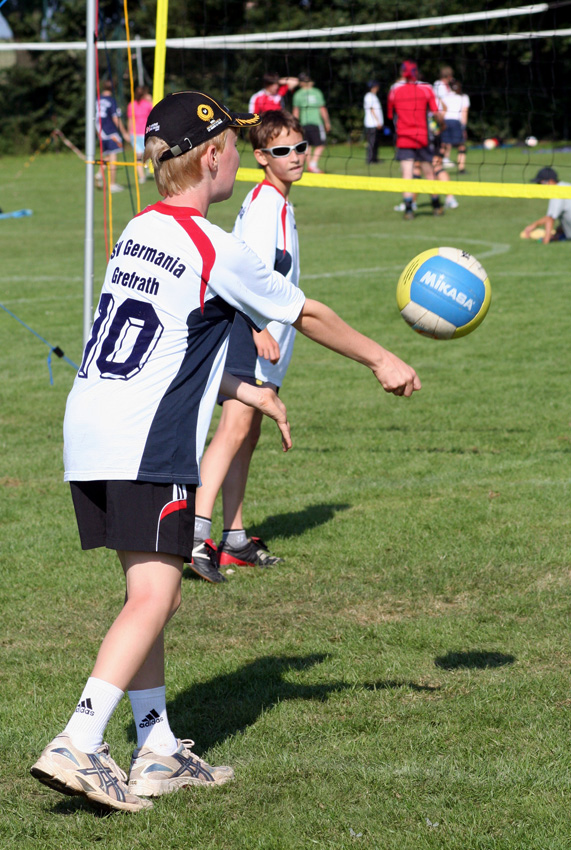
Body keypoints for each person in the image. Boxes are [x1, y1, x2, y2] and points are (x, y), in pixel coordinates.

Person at [30, 89, 420, 813]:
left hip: (89, 429)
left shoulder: (139, 230)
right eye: (235, 143)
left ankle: (156, 747)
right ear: (211, 157)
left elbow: (176, 335)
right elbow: (304, 309)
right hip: (146, 438)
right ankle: (78, 741)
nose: (240, 152)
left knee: (145, 591)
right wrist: (380, 359)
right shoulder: (214, 244)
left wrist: (242, 389)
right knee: (158, 592)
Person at [191, 110, 307, 582]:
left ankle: (234, 538)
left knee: (249, 433)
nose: (295, 157)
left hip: (264, 331)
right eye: (282, 151)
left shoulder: (277, 201)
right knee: (233, 430)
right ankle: (195, 535)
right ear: (261, 157)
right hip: (249, 329)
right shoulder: (264, 206)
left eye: (299, 147)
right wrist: (258, 328)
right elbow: (248, 274)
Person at [387, 60, 445, 220]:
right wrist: (442, 125)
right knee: (429, 172)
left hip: (404, 138)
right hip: (421, 138)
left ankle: (408, 210)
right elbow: (435, 112)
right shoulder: (426, 88)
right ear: (416, 72)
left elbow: (390, 116)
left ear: (401, 73)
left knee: (407, 174)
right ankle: (436, 206)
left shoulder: (394, 90)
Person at [95, 79, 130, 193]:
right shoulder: (111, 101)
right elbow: (116, 118)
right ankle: (112, 184)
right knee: (114, 155)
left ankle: (100, 174)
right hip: (110, 132)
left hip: (101, 132)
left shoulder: (97, 100)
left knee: (108, 156)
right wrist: (124, 133)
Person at [292, 72, 330, 173]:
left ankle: (310, 166)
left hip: (304, 123)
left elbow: (296, 112)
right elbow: (322, 109)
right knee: (321, 144)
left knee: (307, 146)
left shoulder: (298, 94)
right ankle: (313, 165)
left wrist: (295, 124)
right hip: (316, 122)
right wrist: (327, 122)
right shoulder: (317, 92)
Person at [522, 167, 571, 243]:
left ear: (550, 181)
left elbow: (550, 219)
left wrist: (545, 241)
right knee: (559, 228)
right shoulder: (566, 186)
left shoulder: (558, 192)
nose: (539, 186)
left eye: (540, 183)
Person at [439, 79, 470, 173]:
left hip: (445, 121)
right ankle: (461, 169)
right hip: (456, 122)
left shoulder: (445, 97)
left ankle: (437, 167)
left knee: (443, 146)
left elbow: (441, 112)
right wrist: (463, 128)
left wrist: (440, 125)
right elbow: (464, 114)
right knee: (461, 146)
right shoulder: (463, 97)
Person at [128, 85, 154, 184]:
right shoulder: (147, 104)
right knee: (150, 153)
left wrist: (128, 133)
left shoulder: (131, 105)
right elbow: (153, 114)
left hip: (135, 133)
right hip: (145, 132)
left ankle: (142, 176)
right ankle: (149, 169)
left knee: (138, 156)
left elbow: (130, 120)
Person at [363, 80, 384, 164]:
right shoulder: (369, 96)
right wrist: (377, 121)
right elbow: (371, 109)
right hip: (371, 124)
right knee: (371, 142)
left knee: (375, 142)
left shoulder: (374, 96)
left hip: (375, 124)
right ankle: (370, 159)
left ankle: (375, 158)